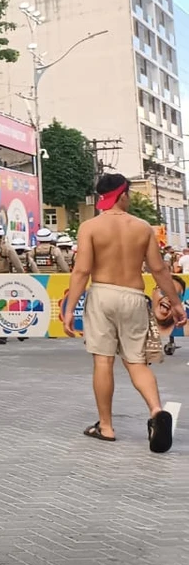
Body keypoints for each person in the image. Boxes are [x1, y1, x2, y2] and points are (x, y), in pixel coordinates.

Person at [62, 174, 180, 452]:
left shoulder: (90, 227)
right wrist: (175, 303)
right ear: (123, 194)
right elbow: (159, 270)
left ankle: (106, 426)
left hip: (102, 294)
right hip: (134, 297)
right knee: (137, 362)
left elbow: (81, 271)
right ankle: (155, 412)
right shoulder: (142, 228)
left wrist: (69, 309)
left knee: (103, 362)